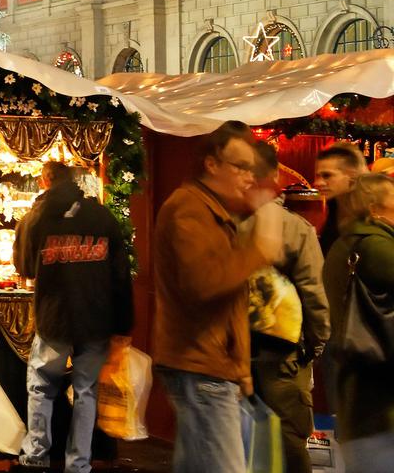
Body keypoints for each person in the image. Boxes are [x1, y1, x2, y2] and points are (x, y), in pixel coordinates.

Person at [153, 122, 283, 473]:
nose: (248, 177)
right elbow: (205, 284)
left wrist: (240, 369)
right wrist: (260, 248)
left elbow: (226, 301)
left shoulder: (212, 212)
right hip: (201, 368)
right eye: (240, 166)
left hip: (209, 367)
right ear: (212, 164)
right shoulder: (189, 210)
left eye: (251, 169)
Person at [12, 162, 132, 473]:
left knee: (41, 386)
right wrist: (123, 325)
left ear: (44, 180)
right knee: (86, 391)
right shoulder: (101, 216)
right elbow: (121, 275)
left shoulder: (37, 216)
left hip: (55, 318)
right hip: (95, 319)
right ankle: (78, 464)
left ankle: (35, 456)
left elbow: (24, 266)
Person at [243, 142, 329, 473]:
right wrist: (315, 344)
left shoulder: (223, 222)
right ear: (277, 174)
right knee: (290, 438)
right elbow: (314, 293)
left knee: (242, 441)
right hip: (284, 354)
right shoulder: (295, 228)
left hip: (232, 352)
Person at [322, 173, 394, 468]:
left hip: (358, 397)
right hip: (381, 404)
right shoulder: (376, 247)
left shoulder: (345, 244)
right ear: (376, 206)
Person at [313, 143, 367, 253]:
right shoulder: (334, 205)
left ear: (352, 175)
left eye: (327, 175)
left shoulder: (372, 211)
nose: (317, 183)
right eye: (317, 176)